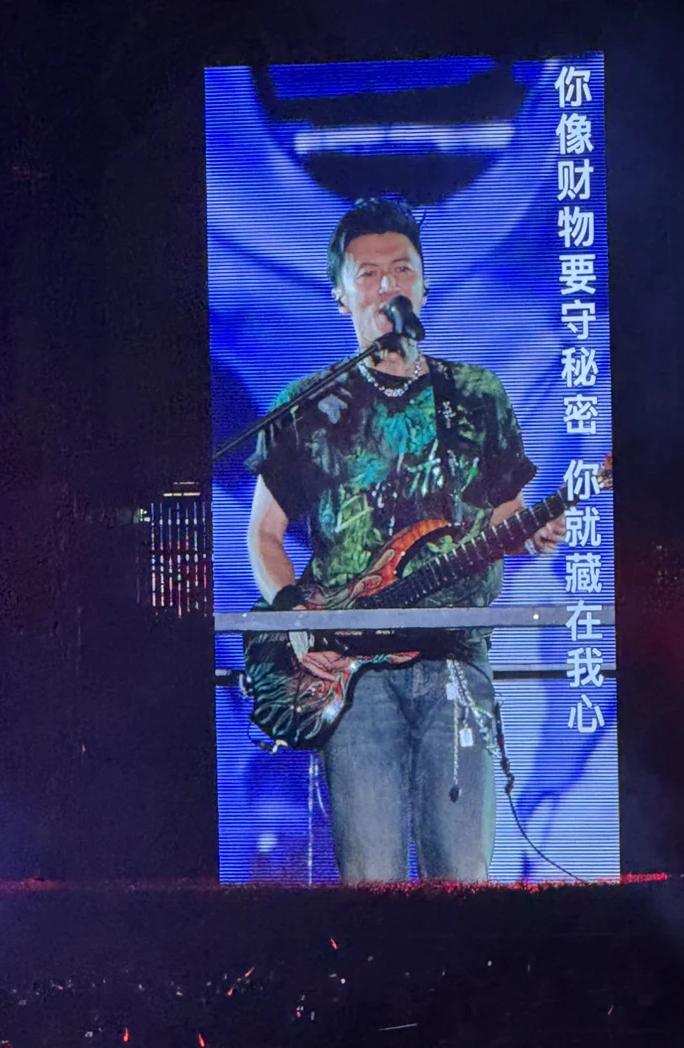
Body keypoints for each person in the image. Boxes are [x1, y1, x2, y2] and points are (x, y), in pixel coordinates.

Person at [246, 197, 566, 883]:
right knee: (373, 881)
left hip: (455, 658)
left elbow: (505, 516)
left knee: (462, 879)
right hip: (352, 673)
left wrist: (532, 530)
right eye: (368, 274)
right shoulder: (306, 406)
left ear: (423, 286)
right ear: (341, 295)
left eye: (401, 270)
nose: (386, 285)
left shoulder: (476, 394)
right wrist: (296, 617)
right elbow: (265, 534)